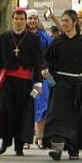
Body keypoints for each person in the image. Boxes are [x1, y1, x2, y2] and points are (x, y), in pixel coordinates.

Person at [42, 10, 82, 161]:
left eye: (67, 20)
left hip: (77, 84)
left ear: (74, 22)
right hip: (60, 83)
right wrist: (46, 70)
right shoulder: (57, 42)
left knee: (76, 117)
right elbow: (48, 60)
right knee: (57, 115)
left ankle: (73, 148)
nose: (64, 24)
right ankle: (57, 147)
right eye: (62, 21)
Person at [0, 9, 44, 156]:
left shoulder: (33, 39)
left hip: (25, 82)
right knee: (4, 112)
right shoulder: (3, 38)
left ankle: (19, 146)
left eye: (22, 19)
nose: (19, 22)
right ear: (12, 20)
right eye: (16, 19)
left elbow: (38, 63)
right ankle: (5, 142)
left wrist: (38, 82)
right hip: (7, 81)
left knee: (23, 114)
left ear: (25, 21)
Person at [26, 9, 53, 148]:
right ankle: (26, 138)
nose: (32, 21)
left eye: (35, 18)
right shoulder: (19, 37)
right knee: (27, 106)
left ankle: (40, 136)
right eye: (29, 18)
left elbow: (51, 54)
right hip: (25, 77)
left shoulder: (45, 37)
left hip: (41, 77)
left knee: (42, 105)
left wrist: (47, 68)